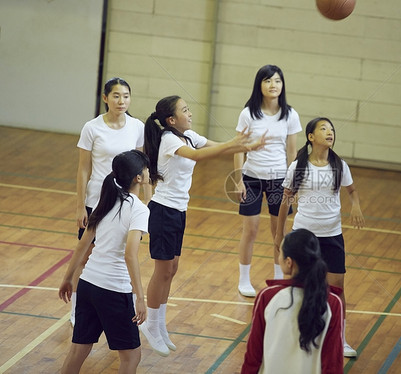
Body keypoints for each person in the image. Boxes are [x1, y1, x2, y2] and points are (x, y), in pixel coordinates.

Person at [140, 95, 267, 357]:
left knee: (172, 269)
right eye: (185, 110)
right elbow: (199, 155)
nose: (190, 113)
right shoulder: (169, 139)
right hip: (163, 211)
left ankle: (159, 323)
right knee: (162, 270)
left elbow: (216, 146)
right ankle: (150, 325)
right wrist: (235, 143)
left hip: (178, 211)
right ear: (171, 119)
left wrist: (248, 147)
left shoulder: (187, 135)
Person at [275, 117, 365, 358]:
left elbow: (352, 190)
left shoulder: (339, 165)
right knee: (299, 287)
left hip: (332, 236)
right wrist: (279, 234)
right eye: (323, 128)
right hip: (304, 236)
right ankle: (294, 334)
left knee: (336, 290)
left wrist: (355, 205)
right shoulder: (298, 167)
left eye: (332, 129)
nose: (330, 132)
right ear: (311, 137)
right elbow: (285, 201)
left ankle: (340, 339)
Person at [58, 150, 150, 374]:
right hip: (114, 291)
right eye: (146, 169)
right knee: (132, 356)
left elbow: (82, 245)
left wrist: (68, 279)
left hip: (88, 284)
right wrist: (140, 296)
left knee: (78, 350)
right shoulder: (139, 210)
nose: (149, 172)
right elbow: (130, 255)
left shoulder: (107, 199)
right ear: (138, 177)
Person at [72, 77, 151, 326]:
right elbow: (83, 169)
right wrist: (79, 205)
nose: (122, 101)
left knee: (121, 253)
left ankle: (115, 306)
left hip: (125, 204)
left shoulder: (137, 126)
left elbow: (141, 167)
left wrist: (142, 205)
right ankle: (76, 308)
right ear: (105, 98)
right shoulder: (92, 128)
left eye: (126, 96)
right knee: (85, 254)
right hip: (97, 200)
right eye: (116, 96)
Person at [234, 64, 302, 298]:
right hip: (251, 178)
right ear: (259, 85)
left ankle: (278, 280)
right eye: (268, 81)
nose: (273, 85)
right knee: (250, 231)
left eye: (277, 81)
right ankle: (244, 280)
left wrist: (293, 184)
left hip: (279, 180)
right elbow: (238, 148)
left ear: (282, 85)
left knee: (279, 232)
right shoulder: (248, 113)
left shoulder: (290, 114)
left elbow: (292, 153)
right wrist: (238, 179)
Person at [241, 229, 344, 374]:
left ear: (289, 262)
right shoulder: (333, 303)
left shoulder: (267, 296)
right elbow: (333, 363)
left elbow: (253, 355)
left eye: (280, 253)